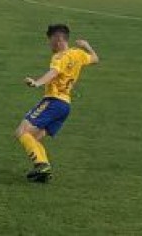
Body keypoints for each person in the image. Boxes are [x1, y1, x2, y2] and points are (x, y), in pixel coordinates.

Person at [15, 24, 99, 183]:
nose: (49, 44)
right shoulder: (78, 54)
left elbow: (54, 72)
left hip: (53, 101)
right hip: (65, 107)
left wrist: (37, 83)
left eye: (50, 40)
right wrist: (87, 46)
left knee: (22, 132)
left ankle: (42, 165)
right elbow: (95, 59)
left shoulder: (60, 57)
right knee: (34, 138)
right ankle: (43, 171)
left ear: (58, 39)